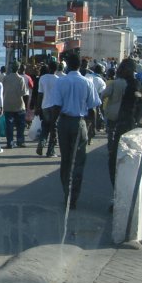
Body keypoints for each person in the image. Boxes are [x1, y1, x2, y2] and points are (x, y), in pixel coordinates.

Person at [44, 52, 101, 209]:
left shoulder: (61, 82)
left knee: (66, 159)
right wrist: (93, 128)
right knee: (79, 161)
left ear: (68, 65)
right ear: (80, 66)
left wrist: (52, 127)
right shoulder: (87, 82)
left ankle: (66, 192)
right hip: (80, 123)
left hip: (64, 123)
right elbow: (93, 108)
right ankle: (74, 196)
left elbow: (56, 107)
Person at [105, 58, 142, 187]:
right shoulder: (133, 84)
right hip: (125, 125)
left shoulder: (133, 86)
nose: (119, 70)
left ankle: (117, 192)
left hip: (126, 126)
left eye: (122, 68)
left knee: (115, 161)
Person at [1, 62, 29, 149]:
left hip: (7, 104)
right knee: (20, 125)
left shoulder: (5, 78)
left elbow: (3, 90)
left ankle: (10, 142)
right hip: (19, 105)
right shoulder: (20, 79)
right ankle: (20, 141)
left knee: (9, 125)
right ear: (18, 68)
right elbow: (23, 93)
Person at [36, 59, 60, 157]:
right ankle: (51, 151)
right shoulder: (58, 79)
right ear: (56, 69)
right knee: (53, 129)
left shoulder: (42, 78)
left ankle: (41, 143)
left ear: (49, 68)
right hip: (55, 106)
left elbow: (40, 94)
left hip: (44, 106)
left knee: (45, 126)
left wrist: (38, 107)